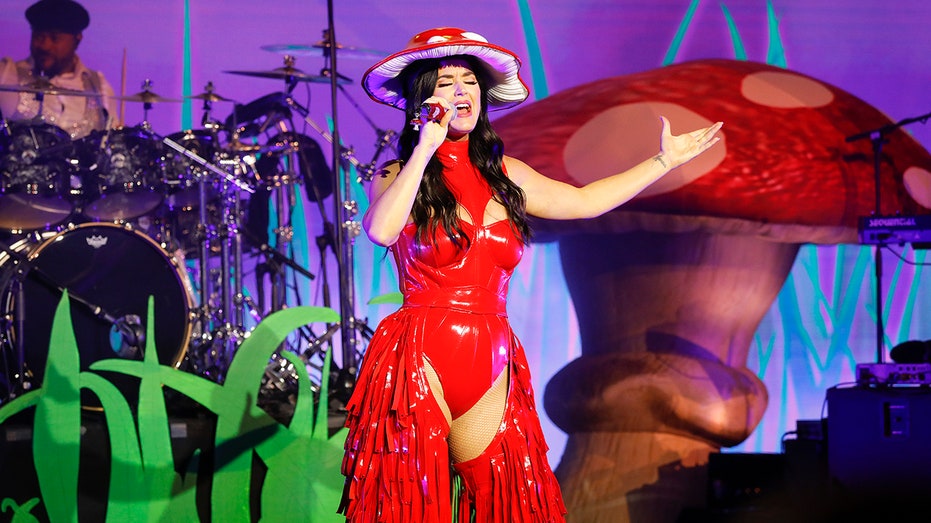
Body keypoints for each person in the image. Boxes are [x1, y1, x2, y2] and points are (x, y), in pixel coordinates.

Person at [338, 27, 723, 522]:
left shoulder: (509, 175)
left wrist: (663, 160)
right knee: (412, 504)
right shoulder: (396, 174)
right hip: (418, 353)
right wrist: (425, 148)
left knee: (509, 499)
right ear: (421, 100)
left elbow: (586, 202)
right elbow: (382, 231)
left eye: (470, 82)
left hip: (489, 352)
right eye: (445, 82)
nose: (461, 93)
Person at [0, 0, 116, 139]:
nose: (45, 46)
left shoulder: (99, 87)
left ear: (77, 39)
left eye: (55, 38)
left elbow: (111, 145)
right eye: (39, 36)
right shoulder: (7, 75)